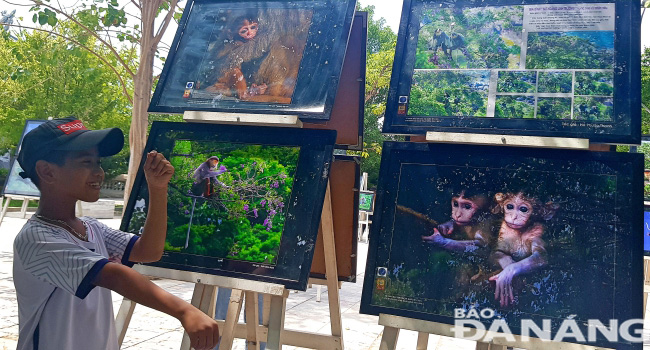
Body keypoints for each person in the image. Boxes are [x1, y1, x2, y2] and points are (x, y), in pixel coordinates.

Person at [12, 117, 220, 350]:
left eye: (98, 162)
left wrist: (158, 188)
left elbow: (148, 251)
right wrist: (184, 310)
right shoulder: (36, 239)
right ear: (47, 171)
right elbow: (115, 275)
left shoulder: (91, 228)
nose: (99, 172)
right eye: (86, 162)